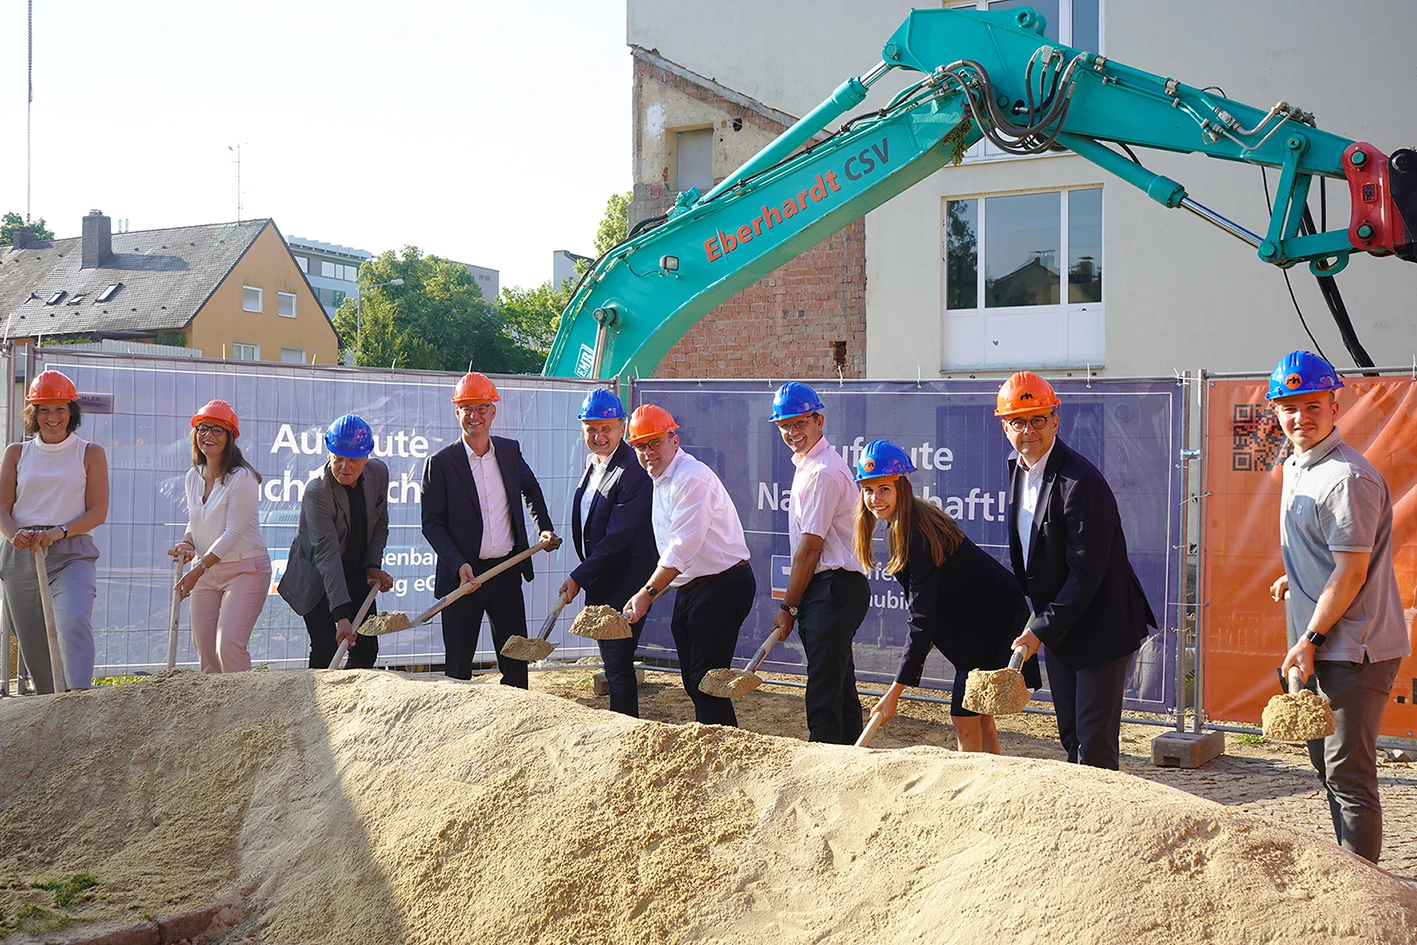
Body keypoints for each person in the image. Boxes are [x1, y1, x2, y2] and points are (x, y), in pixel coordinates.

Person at [1266, 350, 1409, 864]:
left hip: (1354, 649)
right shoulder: (1299, 465)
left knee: (1349, 776)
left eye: (1312, 405)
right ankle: (1352, 877)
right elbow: (1337, 554)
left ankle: (1365, 899)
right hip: (1323, 643)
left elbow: (1351, 573)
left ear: (1333, 405)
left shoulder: (1346, 478)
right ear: (1276, 411)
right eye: (1288, 407)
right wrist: (1296, 575)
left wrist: (1310, 639)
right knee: (1328, 769)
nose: (1299, 417)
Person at [997, 371, 1155, 769]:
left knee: (1094, 746)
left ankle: (1109, 827)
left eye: (1037, 419)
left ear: (1055, 419)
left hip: (1103, 627)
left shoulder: (1080, 482)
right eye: (1017, 421)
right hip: (1063, 626)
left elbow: (1086, 574)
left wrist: (1038, 630)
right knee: (1071, 736)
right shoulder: (1017, 469)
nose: (1028, 431)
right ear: (1004, 426)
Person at [852, 440, 1037, 753]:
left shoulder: (916, 534)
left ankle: (973, 789)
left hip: (993, 619)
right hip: (983, 616)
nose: (875, 498)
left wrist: (893, 694)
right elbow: (934, 608)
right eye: (868, 490)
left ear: (902, 487)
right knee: (978, 711)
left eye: (884, 488)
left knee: (964, 715)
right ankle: (991, 778)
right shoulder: (905, 522)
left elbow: (922, 619)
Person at [623, 404, 755, 726]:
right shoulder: (662, 477)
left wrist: (646, 593)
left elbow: (681, 548)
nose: (647, 452)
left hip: (722, 584)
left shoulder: (691, 478)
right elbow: (675, 550)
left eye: (654, 442)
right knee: (698, 682)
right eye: (640, 446)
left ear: (674, 440)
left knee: (706, 682)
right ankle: (726, 742)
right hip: (694, 587)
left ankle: (719, 751)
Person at [422, 372, 556, 686]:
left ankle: (518, 729)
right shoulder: (440, 464)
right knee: (458, 669)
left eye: (482, 407)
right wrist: (459, 565)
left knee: (515, 667)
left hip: (506, 573)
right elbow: (432, 523)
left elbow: (531, 489)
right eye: (467, 408)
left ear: (493, 411)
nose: (475, 415)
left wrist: (544, 528)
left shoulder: (510, 452)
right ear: (457, 412)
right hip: (462, 581)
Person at [768, 382, 871, 744]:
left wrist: (788, 606)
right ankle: (850, 757)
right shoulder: (811, 465)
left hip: (835, 588)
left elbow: (810, 549)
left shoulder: (823, 472)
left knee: (825, 688)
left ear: (819, 421)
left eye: (800, 423)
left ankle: (823, 758)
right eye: (785, 425)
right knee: (838, 680)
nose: (793, 432)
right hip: (829, 589)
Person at [0, 370, 109, 693]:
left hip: (71, 549)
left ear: (72, 411)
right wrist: (13, 534)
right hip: (23, 552)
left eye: (60, 408)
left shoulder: (90, 452)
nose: (52, 417)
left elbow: (97, 512)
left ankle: (78, 697)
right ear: (33, 413)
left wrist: (59, 531)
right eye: (44, 409)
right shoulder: (16, 453)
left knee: (73, 620)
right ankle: (51, 707)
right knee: (34, 640)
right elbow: (2, 509)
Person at [558, 389, 657, 716]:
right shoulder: (594, 464)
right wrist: (586, 575)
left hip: (626, 582)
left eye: (607, 428)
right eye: (591, 428)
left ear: (621, 426)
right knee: (613, 663)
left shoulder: (632, 471)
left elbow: (618, 538)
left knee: (617, 663)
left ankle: (624, 729)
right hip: (602, 578)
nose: (599, 436)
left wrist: (578, 576)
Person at [278, 414, 393, 669]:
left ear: (366, 457)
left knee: (366, 648)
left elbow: (380, 523)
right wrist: (341, 616)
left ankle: (350, 704)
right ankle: (314, 705)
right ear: (328, 452)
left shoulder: (379, 473)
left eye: (353, 460)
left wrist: (373, 565)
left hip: (356, 571)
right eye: (338, 458)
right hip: (317, 577)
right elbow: (327, 556)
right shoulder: (317, 491)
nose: (344, 467)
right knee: (326, 648)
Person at [168, 400, 270, 673]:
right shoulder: (193, 476)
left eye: (217, 430)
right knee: (206, 653)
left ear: (230, 437)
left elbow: (233, 532)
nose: (208, 436)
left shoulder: (243, 477)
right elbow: (196, 518)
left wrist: (198, 569)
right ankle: (217, 716)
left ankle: (246, 714)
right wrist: (188, 543)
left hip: (245, 569)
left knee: (228, 647)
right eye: (202, 429)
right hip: (205, 572)